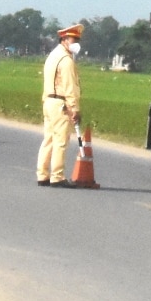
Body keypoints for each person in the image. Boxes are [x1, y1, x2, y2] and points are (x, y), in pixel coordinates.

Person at [38, 23, 84, 185]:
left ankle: (42, 174)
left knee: (48, 139)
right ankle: (57, 176)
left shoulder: (52, 56)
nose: (76, 43)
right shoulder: (66, 61)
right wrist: (75, 109)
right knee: (60, 141)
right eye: (73, 39)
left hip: (49, 101)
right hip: (61, 103)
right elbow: (70, 87)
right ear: (64, 40)